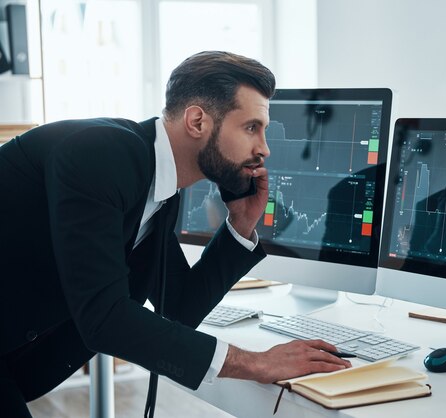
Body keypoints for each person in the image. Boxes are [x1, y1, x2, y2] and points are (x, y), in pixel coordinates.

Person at [0, 51, 350, 417]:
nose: (264, 148)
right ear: (197, 121)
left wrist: (240, 225)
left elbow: (177, 306)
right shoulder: (101, 156)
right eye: (251, 127)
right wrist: (256, 363)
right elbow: (105, 318)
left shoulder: (159, 186)